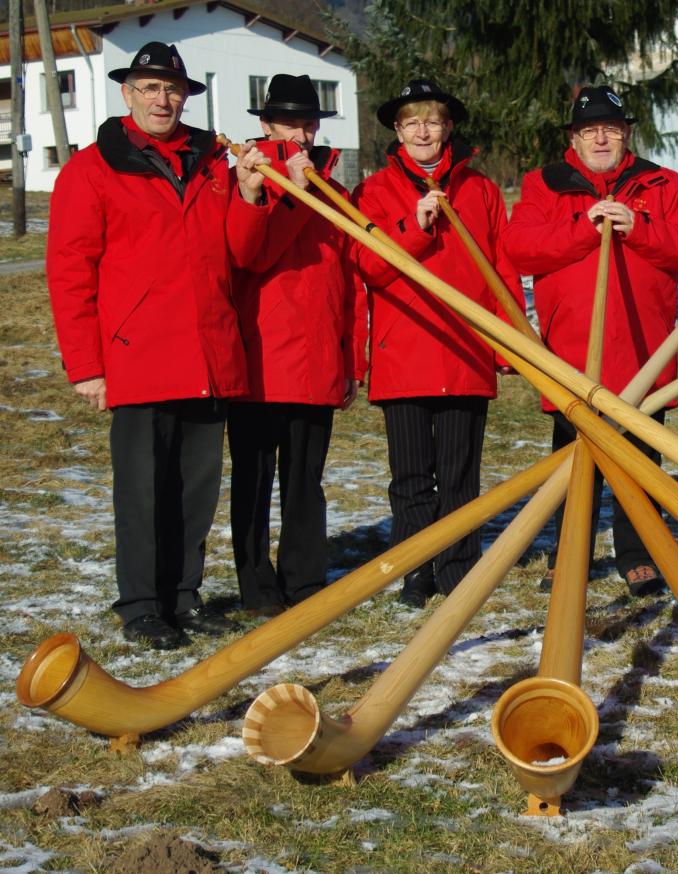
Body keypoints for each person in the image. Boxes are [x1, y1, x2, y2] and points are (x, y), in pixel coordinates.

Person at [46, 42, 267, 648]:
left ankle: (184, 596)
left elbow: (243, 255)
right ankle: (142, 604)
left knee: (197, 487)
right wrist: (86, 367)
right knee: (143, 488)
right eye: (149, 87)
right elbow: (69, 272)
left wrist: (249, 195)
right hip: (137, 355)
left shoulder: (214, 163)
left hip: (208, 352)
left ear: (185, 96)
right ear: (127, 94)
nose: (162, 99)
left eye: (172, 89)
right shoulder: (91, 169)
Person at [503, 85, 678, 597]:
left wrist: (639, 227)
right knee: (574, 460)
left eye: (610, 129)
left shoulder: (663, 183)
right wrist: (583, 224)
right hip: (571, 351)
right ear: (574, 138)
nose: (601, 138)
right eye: (589, 131)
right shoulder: (544, 185)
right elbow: (521, 249)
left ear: (626, 134)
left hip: (644, 348)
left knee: (641, 458)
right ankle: (569, 549)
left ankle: (638, 549)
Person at [351, 78, 519, 607]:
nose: (423, 130)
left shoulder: (481, 190)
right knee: (410, 475)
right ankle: (414, 568)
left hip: (466, 352)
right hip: (406, 352)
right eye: (411, 121)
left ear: (449, 128)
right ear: (398, 131)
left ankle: (457, 569)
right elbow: (369, 266)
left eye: (433, 120)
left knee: (459, 472)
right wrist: (415, 226)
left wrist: (508, 341)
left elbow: (501, 268)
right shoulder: (374, 191)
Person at [228, 74, 367, 617]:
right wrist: (291, 194)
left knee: (306, 480)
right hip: (260, 355)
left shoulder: (333, 184)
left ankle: (306, 579)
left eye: (309, 123)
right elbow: (247, 254)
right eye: (290, 123)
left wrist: (351, 357)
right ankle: (256, 583)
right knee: (255, 478)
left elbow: (349, 281)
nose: (302, 134)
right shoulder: (248, 176)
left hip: (316, 358)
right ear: (266, 126)